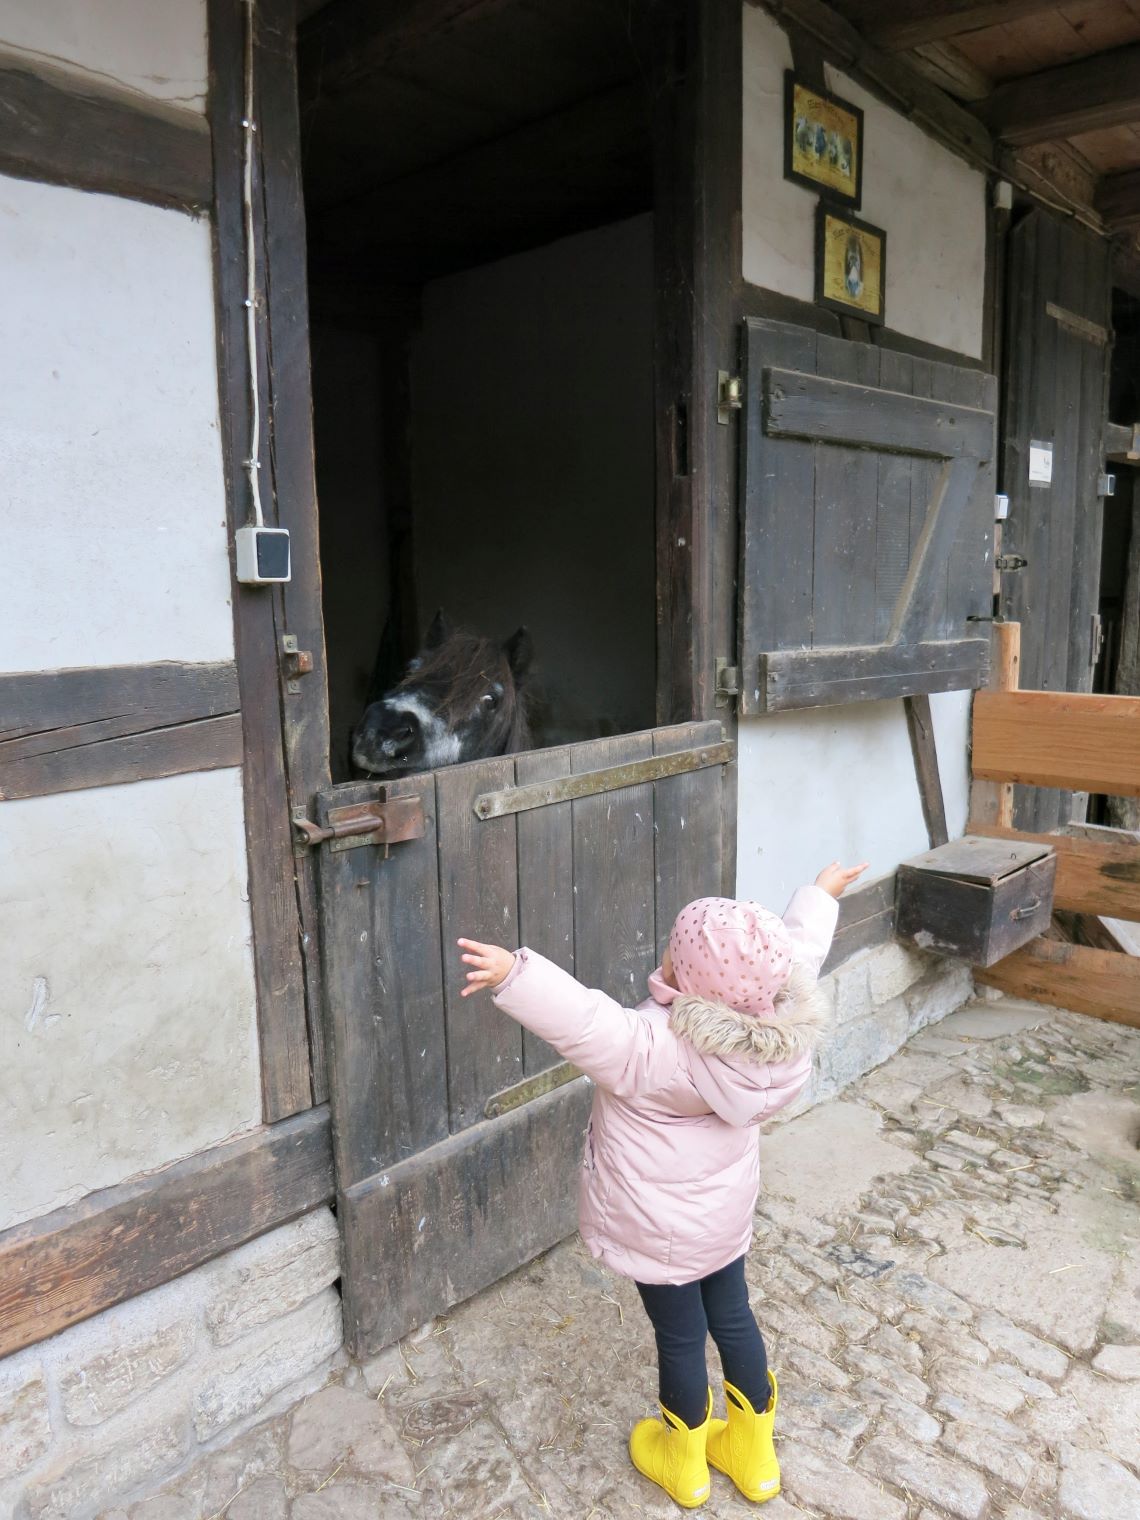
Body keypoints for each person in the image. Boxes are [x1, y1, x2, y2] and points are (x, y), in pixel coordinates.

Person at [458, 859, 867, 1509]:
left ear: (680, 975)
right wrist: (819, 897)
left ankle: (685, 1462)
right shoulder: (773, 1034)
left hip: (659, 1232)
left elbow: (583, 1019)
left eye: (674, 953)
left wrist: (516, 974)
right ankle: (754, 1453)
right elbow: (799, 956)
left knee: (679, 1336)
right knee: (732, 1315)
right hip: (724, 1218)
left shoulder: (649, 1046)